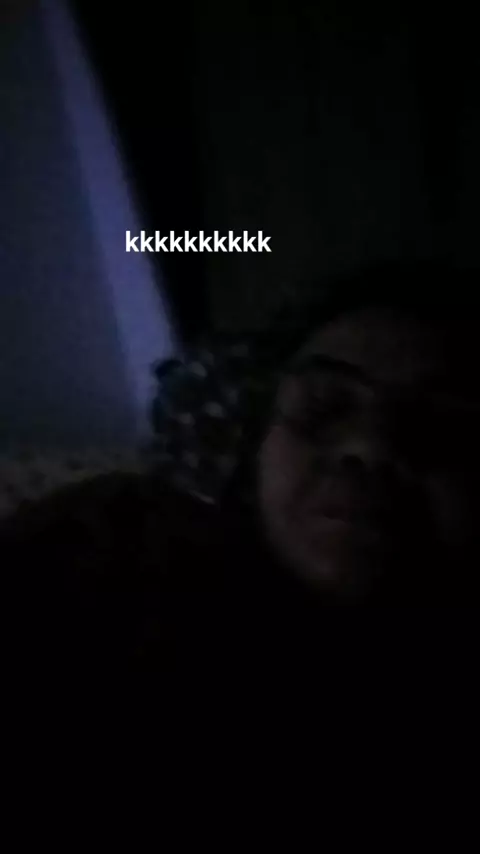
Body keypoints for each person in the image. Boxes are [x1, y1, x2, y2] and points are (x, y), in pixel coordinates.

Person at [1, 261, 479, 681]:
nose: (370, 446)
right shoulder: (114, 537)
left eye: (444, 424)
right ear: (258, 440)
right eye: (324, 403)